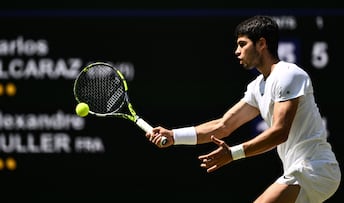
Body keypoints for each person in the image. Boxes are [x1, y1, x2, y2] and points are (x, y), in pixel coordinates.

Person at [146, 15, 341, 203]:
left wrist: (233, 154)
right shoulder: (257, 87)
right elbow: (223, 125)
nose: (237, 51)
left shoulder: (288, 75)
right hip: (299, 170)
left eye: (242, 44)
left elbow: (280, 132)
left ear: (261, 44)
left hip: (315, 169)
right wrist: (174, 136)